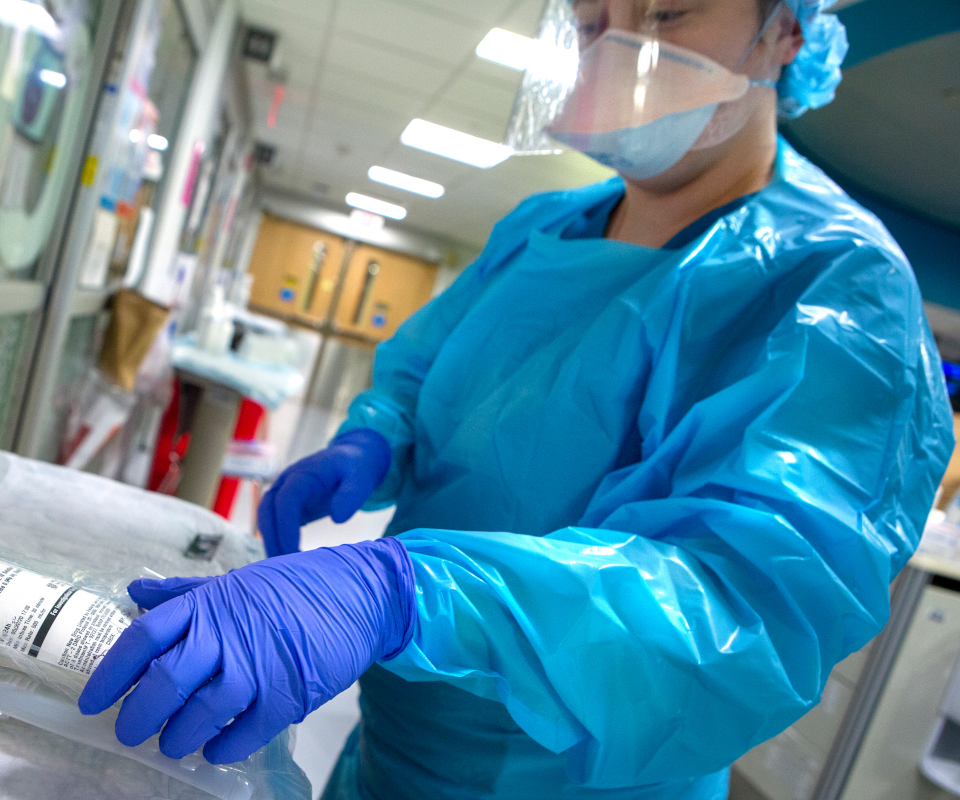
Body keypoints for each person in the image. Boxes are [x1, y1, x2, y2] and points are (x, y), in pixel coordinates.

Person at [78, 1, 955, 798]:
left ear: (786, 30)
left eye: (666, 12)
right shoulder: (542, 228)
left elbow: (741, 606)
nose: (617, 48)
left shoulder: (836, 292)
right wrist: (373, 440)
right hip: (395, 745)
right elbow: (428, 373)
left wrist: (408, 591)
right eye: (590, 19)